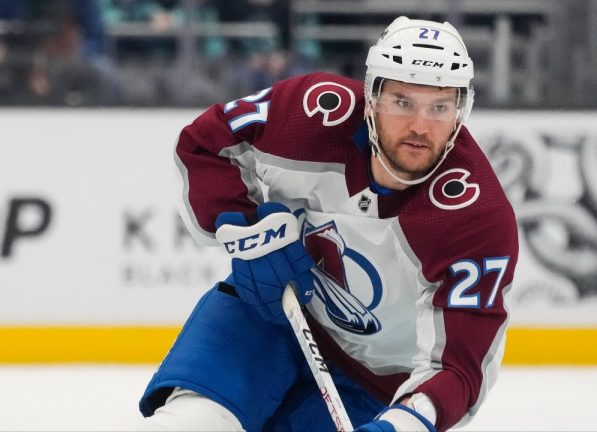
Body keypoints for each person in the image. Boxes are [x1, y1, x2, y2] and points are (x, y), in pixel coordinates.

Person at [139, 16, 518, 432]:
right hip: (268, 314)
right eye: (402, 101)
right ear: (371, 98)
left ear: (462, 111)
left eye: (439, 107)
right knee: (188, 424)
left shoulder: (476, 219)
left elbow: (459, 370)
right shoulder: (314, 109)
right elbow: (206, 144)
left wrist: (402, 424)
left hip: (373, 382)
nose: (419, 126)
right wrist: (249, 235)